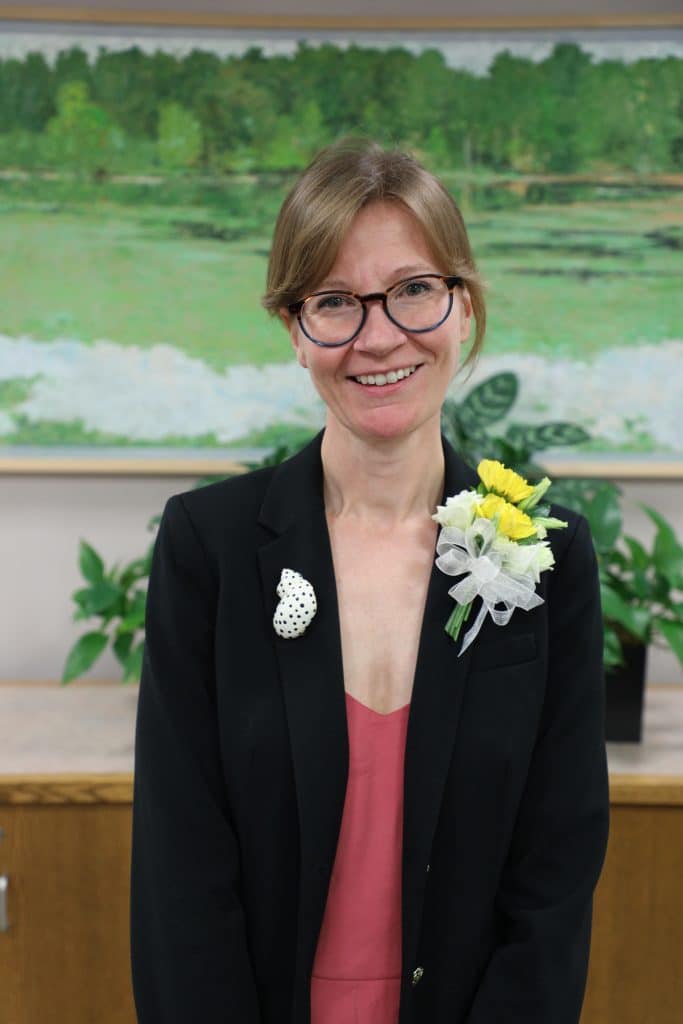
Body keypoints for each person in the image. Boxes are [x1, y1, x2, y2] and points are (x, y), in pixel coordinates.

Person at [130, 138, 609, 1023]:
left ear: (463, 308)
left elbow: (556, 869)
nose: (378, 336)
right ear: (293, 328)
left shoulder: (548, 559)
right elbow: (178, 875)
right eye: (335, 302)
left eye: (414, 289)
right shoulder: (211, 549)